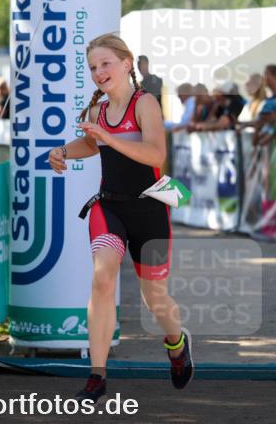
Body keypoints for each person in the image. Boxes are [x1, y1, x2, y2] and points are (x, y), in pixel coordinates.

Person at [47, 33, 193, 401]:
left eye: (105, 64)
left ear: (127, 64)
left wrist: (108, 139)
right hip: (109, 206)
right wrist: (63, 150)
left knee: (154, 298)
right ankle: (97, 374)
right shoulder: (97, 111)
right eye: (93, 67)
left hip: (149, 208)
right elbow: (91, 143)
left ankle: (176, 344)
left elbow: (155, 156)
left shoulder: (145, 104)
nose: (98, 72)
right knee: (102, 277)